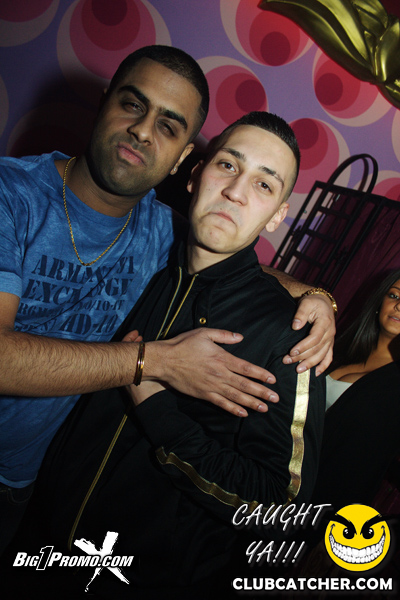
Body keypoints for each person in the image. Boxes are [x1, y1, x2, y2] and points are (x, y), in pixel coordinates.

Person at [0, 45, 335, 554]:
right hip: (41, 516)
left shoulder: (166, 238)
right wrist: (151, 363)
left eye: (264, 185)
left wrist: (319, 298)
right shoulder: (19, 197)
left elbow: (281, 509)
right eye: (133, 105)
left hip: (65, 525)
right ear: (196, 173)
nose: (236, 192)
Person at [312, 268, 400, 511]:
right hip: (270, 469)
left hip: (319, 503)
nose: (399, 305)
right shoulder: (340, 348)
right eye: (394, 295)